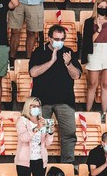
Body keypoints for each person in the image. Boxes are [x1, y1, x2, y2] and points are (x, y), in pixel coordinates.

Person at [29, 24, 81, 163]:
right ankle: (38, 162)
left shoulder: (68, 52)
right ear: (49, 38)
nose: (60, 41)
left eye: (62, 39)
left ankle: (68, 165)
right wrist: (51, 61)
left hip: (65, 101)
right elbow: (33, 72)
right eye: (56, 38)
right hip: (42, 102)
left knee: (69, 135)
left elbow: (76, 75)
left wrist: (68, 63)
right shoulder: (39, 51)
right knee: (39, 134)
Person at [15, 97, 54, 176]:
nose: (37, 108)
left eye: (38, 106)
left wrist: (50, 133)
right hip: (24, 160)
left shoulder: (43, 121)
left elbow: (47, 143)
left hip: (40, 160)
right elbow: (23, 138)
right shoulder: (22, 120)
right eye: (34, 106)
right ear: (28, 107)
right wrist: (36, 128)